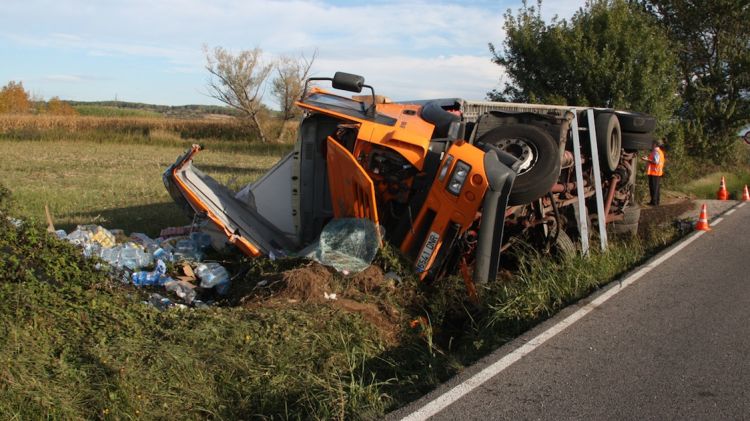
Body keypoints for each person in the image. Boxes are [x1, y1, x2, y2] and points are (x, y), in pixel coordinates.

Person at [641, 139, 666, 206]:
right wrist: (648, 159)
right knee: (656, 188)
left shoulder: (656, 151)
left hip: (654, 172)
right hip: (657, 172)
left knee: (653, 187)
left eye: (653, 143)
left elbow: (655, 162)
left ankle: (654, 202)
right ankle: (656, 202)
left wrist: (646, 159)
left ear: (655, 144)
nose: (651, 144)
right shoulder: (660, 151)